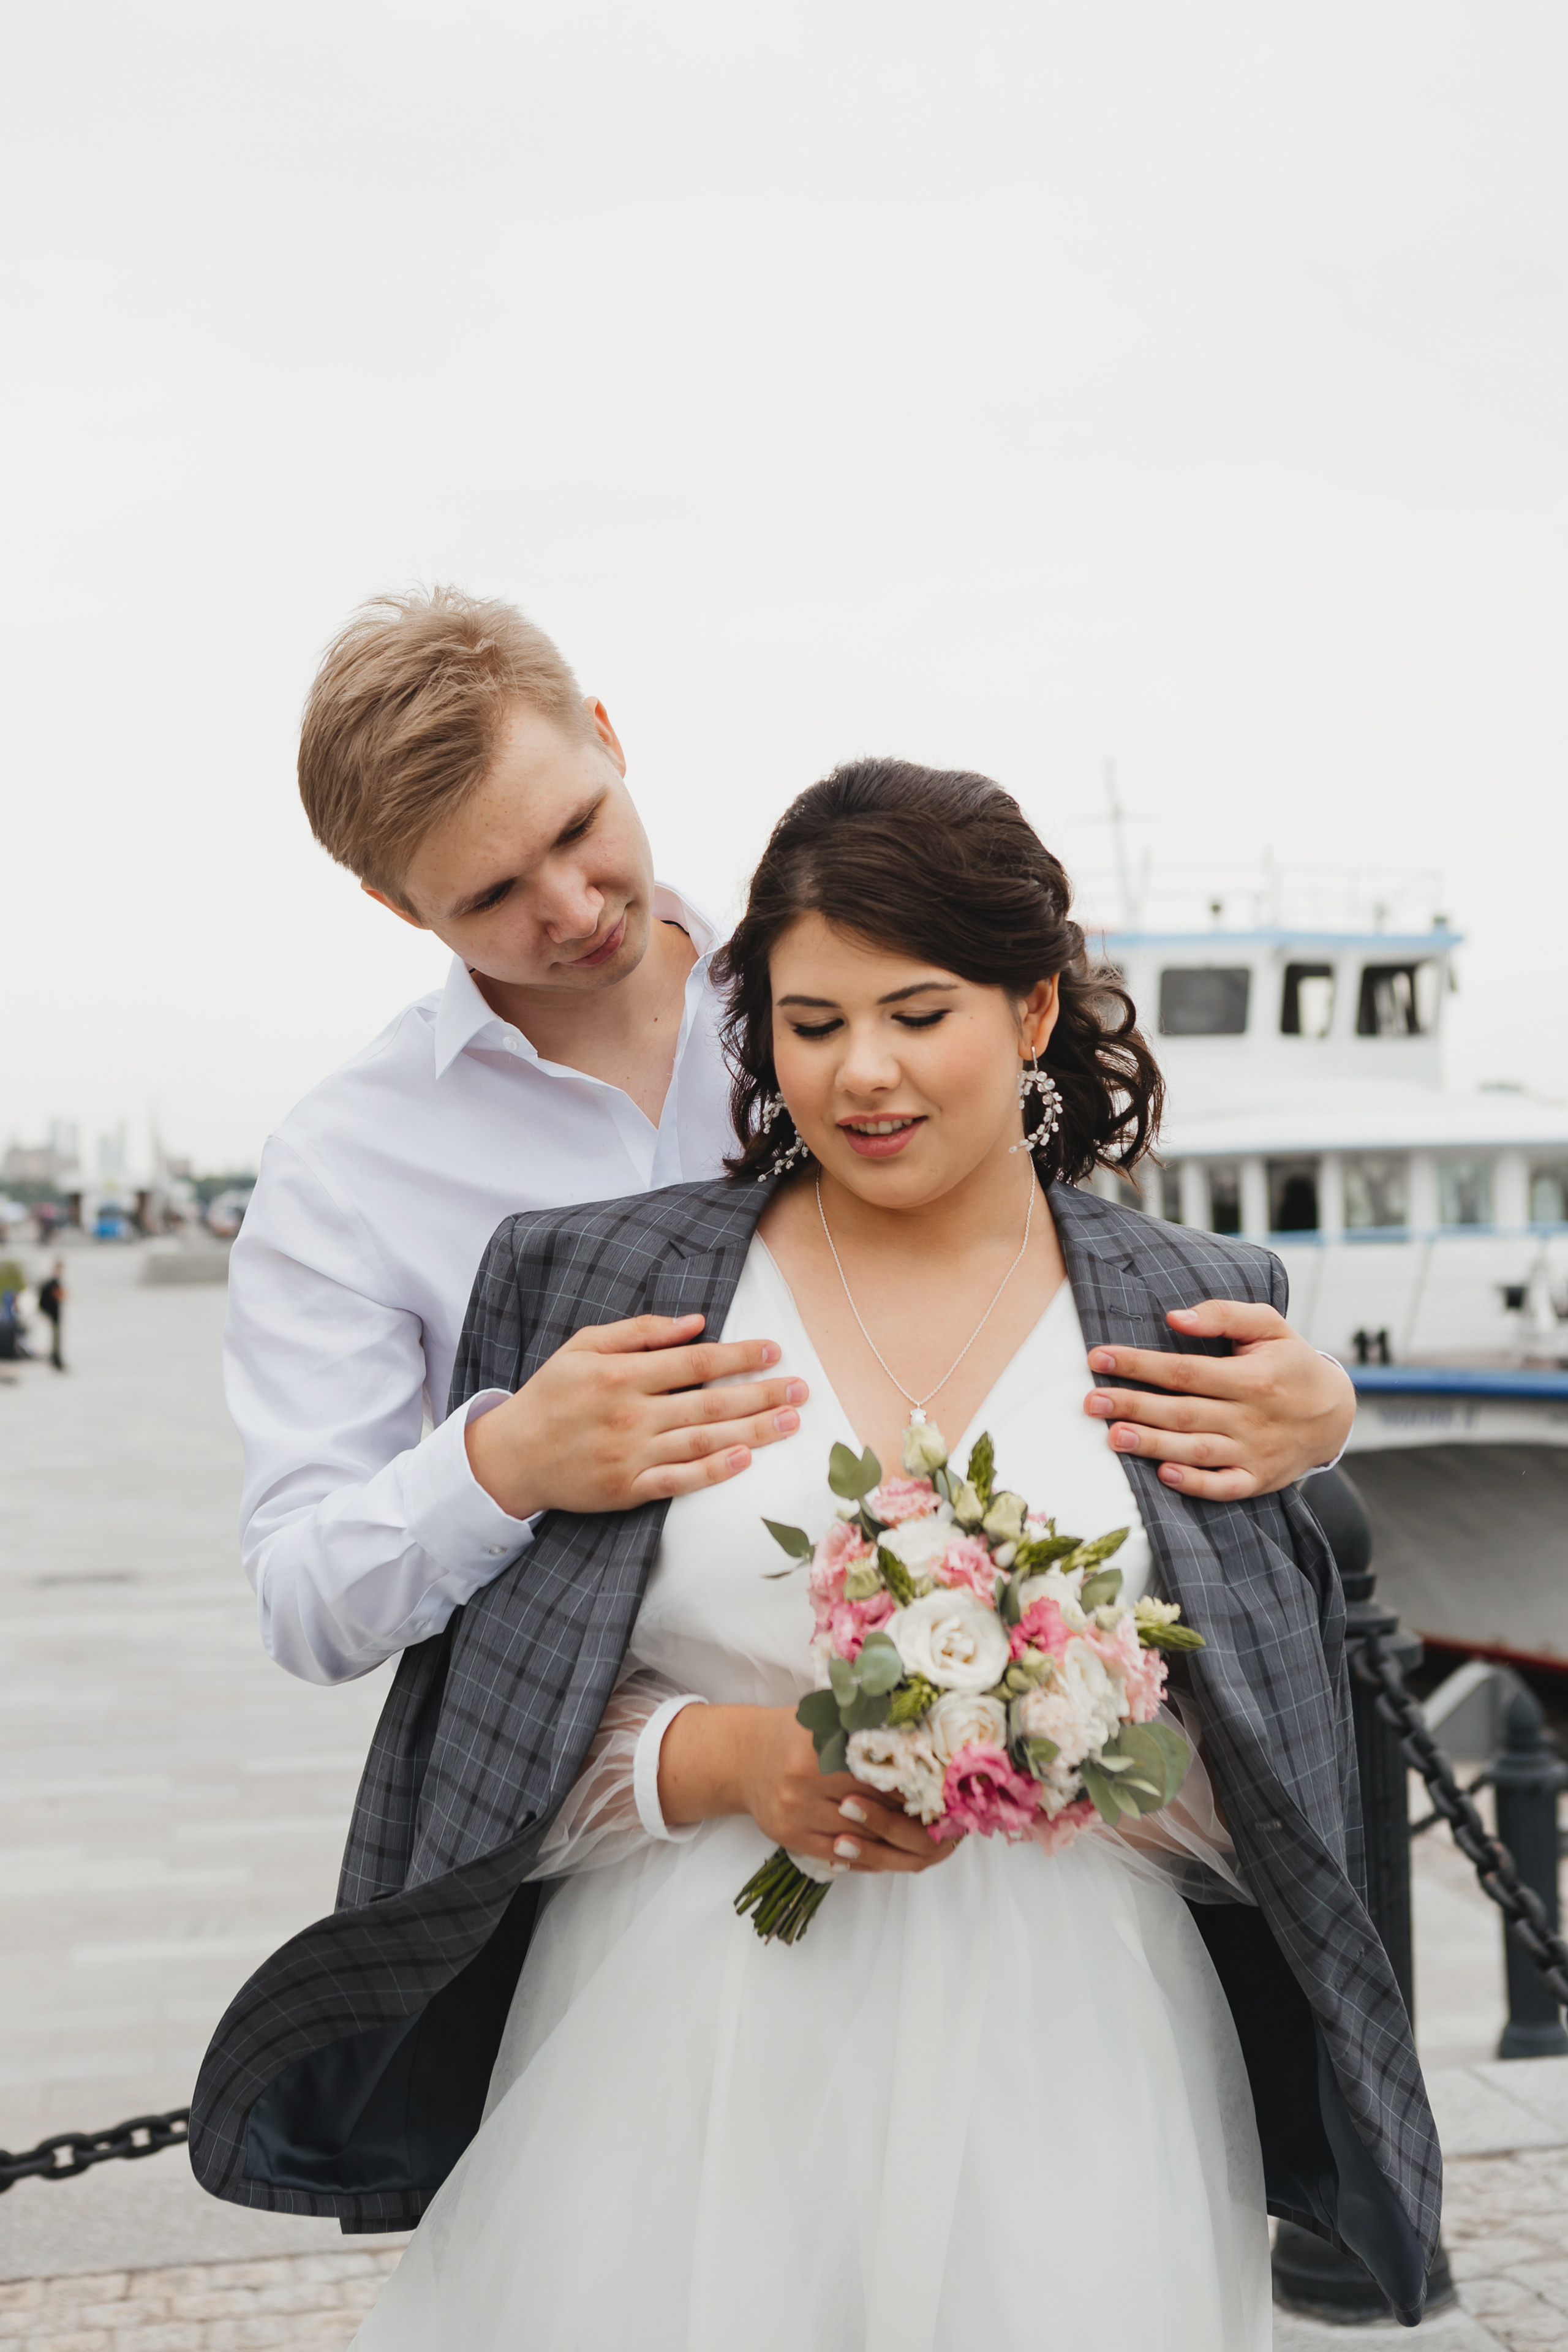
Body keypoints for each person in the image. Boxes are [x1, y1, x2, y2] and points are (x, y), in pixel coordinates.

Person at [191, 762, 1436, 2346]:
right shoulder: (602, 1282)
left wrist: (1056, 1735)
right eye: (814, 1021)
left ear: (1034, 1011)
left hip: (1082, 2076)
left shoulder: (1198, 1306)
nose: (865, 1074)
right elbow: (479, 1741)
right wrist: (724, 1761)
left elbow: (1274, 1768)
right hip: (673, 2062)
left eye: (920, 1014)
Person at [228, 588, 1354, 1687]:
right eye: (491, 895)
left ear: (609, 738)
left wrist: (1323, 1412)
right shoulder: (345, 1166)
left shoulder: (839, 1011)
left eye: (578, 829)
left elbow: (1041, 1287)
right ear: (399, 908)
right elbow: (304, 1603)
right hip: (587, 1792)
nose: (572, 908)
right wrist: (504, 1464)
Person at [36, 1261, 65, 1371]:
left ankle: (56, 1360)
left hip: (55, 1315)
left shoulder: (54, 1283)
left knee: (55, 1338)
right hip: (53, 1316)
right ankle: (56, 1361)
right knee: (55, 1339)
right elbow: (44, 1301)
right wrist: (46, 1313)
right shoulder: (52, 1283)